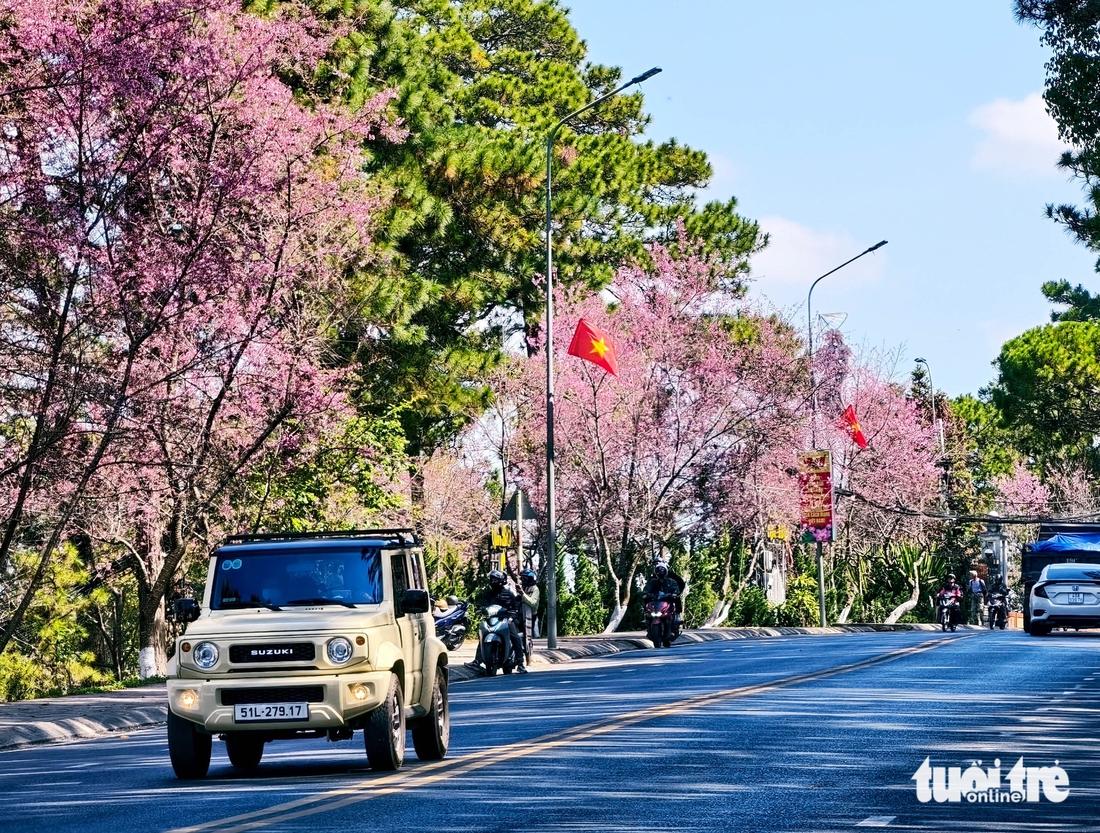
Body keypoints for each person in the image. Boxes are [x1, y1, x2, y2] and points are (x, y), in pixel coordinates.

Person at [464, 569, 527, 674]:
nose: (493, 582)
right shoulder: (488, 594)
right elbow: (482, 604)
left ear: (501, 581)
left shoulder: (509, 594)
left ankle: (520, 664)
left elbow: (515, 608)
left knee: (515, 638)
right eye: (492, 579)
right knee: (482, 636)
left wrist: (511, 616)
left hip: (506, 619)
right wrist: (481, 609)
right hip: (491, 619)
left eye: (495, 580)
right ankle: (477, 661)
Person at [643, 561, 683, 632]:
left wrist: (676, 593)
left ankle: (677, 617)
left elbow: (678, 585)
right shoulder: (653, 580)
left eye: (662, 570)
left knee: (677, 600)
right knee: (646, 600)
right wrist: (646, 594)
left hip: (668, 599)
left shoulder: (671, 579)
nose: (660, 573)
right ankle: (646, 616)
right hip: (656, 599)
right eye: (656, 564)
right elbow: (647, 588)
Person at [519, 569, 540, 643]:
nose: (523, 580)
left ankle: (528, 647)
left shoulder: (535, 589)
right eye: (522, 578)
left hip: (531, 615)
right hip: (521, 613)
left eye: (524, 578)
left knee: (528, 634)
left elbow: (533, 603)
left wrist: (523, 594)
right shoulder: (524, 588)